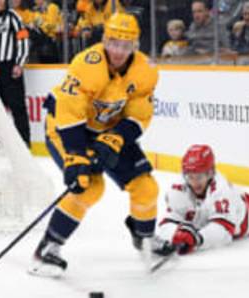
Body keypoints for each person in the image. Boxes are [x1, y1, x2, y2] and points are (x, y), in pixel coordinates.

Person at [29, 12, 159, 277]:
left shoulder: (145, 70)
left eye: (125, 45)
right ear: (104, 40)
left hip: (105, 129)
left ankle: (145, 239)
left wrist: (115, 139)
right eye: (113, 43)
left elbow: (139, 115)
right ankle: (48, 248)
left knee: (146, 188)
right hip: (66, 129)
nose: (118, 51)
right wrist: (76, 156)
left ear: (135, 46)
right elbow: (69, 111)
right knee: (89, 187)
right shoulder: (87, 64)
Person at [0, 0, 31, 147]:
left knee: (17, 105)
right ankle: (0, 139)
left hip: (10, 65)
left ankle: (24, 141)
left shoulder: (13, 17)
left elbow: (23, 40)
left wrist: (19, 63)